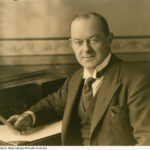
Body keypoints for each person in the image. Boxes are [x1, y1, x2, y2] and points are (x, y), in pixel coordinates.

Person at [8, 12, 150, 145]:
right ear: (72, 44)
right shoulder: (75, 79)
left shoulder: (137, 80)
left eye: (93, 40)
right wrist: (29, 116)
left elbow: (147, 140)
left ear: (109, 40)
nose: (86, 49)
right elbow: (53, 104)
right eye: (78, 42)